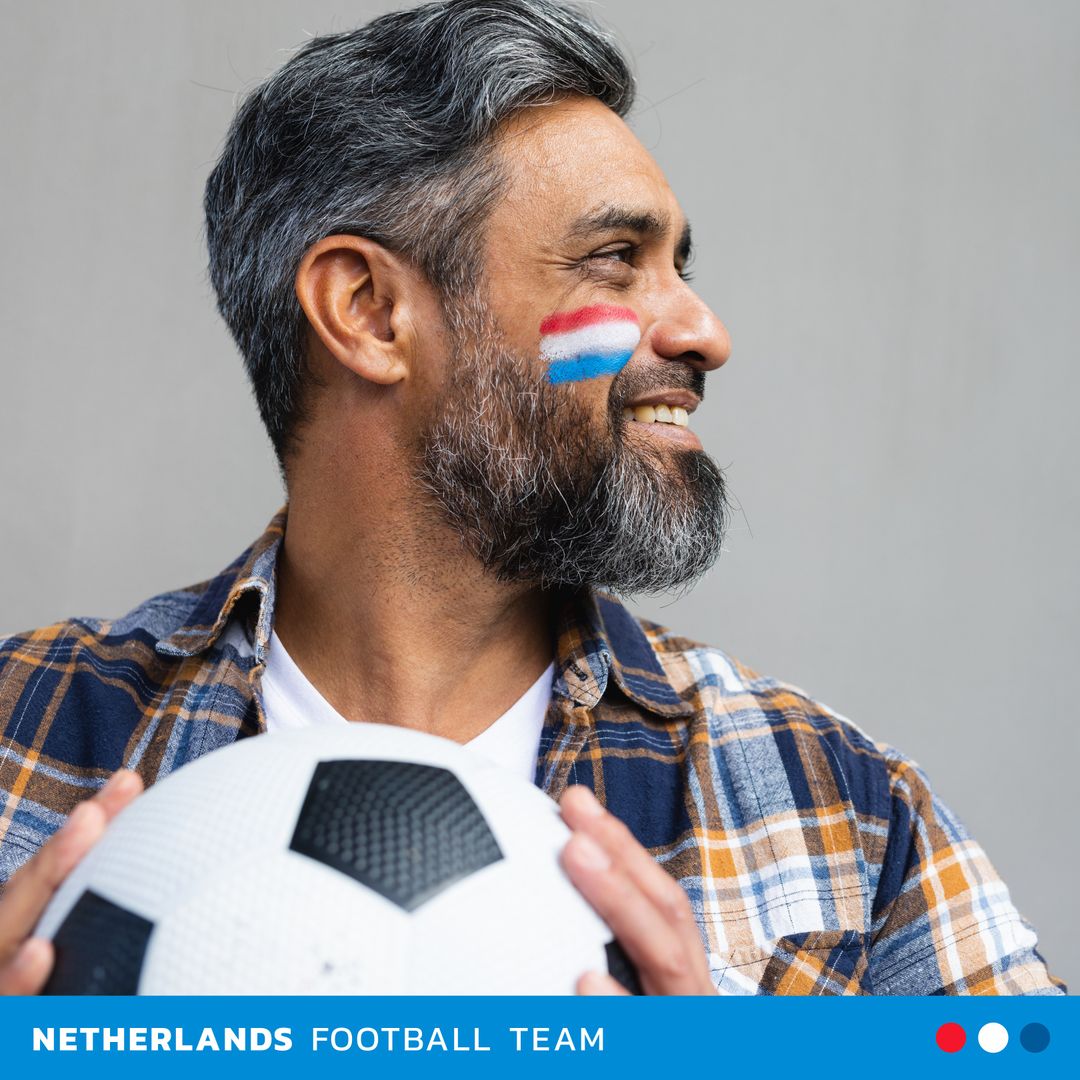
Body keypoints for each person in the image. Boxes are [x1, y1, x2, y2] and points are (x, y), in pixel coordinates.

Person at [0, 0, 1064, 996]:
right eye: (615, 260)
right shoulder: (21, 738)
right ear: (368, 311)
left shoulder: (836, 808)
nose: (704, 332)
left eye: (678, 266)